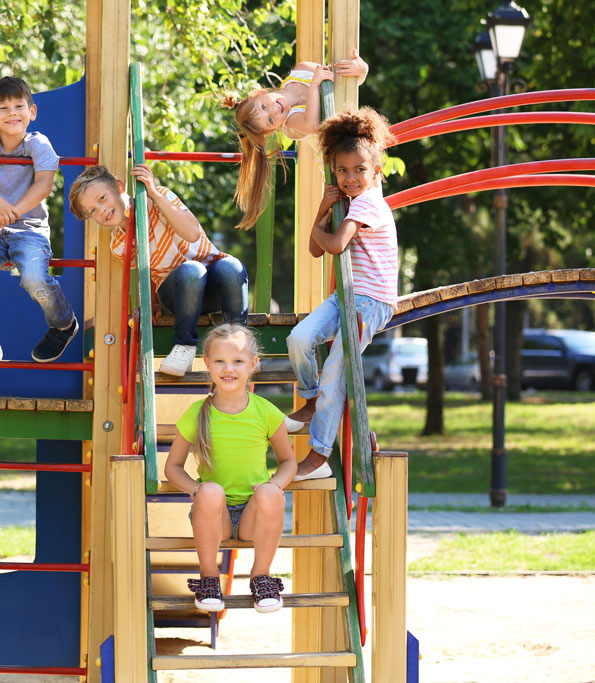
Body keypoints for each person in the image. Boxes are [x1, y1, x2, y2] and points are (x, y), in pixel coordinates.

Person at [284, 106, 398, 481]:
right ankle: (311, 397)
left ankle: (319, 456)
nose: (351, 178)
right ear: (334, 172)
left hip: (371, 302)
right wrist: (322, 207)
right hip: (347, 296)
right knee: (298, 338)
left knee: (335, 370)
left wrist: (319, 226)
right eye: (343, 171)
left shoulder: (368, 202)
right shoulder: (346, 203)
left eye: (360, 170)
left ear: (376, 172)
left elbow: (330, 246)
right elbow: (317, 249)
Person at [163, 324, 297, 613]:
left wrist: (275, 485)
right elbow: (172, 467)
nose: (229, 369)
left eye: (237, 361)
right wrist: (195, 489)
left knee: (272, 494)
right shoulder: (197, 413)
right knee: (210, 491)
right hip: (215, 518)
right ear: (208, 364)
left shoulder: (266, 412)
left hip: (254, 516)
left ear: (253, 364)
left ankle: (261, 576)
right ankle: (209, 577)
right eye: (220, 361)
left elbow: (288, 462)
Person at [68, 163, 248, 377]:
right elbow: (149, 266)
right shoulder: (119, 244)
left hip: (213, 282)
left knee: (232, 266)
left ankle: (239, 343)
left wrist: (153, 193)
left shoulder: (159, 198)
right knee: (191, 271)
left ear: (119, 187)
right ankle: (184, 346)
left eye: (102, 198)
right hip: (179, 293)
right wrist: (152, 301)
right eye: (93, 211)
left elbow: (192, 234)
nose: (102, 210)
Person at [0, 76, 78, 363]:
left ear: (31, 112)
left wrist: (11, 214)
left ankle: (63, 324)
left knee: (35, 276)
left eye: (19, 106)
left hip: (30, 229)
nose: (12, 113)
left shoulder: (37, 142)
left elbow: (43, 185)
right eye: (3, 108)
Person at [222, 50, 369, 229]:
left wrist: (361, 71)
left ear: (260, 92)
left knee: (370, 200)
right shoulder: (291, 120)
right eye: (270, 120)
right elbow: (313, 124)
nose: (274, 111)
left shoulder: (302, 70)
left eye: (263, 106)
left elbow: (342, 81)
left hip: (357, 147)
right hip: (338, 167)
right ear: (274, 129)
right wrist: (314, 85)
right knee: (355, 213)